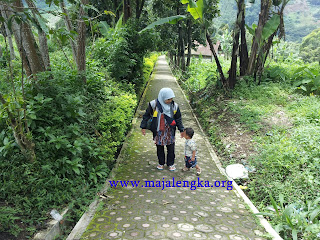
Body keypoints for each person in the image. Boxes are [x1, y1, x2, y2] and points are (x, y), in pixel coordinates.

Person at [140, 88, 184, 171]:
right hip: (158, 131)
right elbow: (146, 116)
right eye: (168, 99)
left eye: (171, 99)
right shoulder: (153, 104)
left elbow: (178, 119)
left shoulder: (175, 106)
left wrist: (181, 130)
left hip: (170, 131)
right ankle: (161, 163)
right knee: (159, 148)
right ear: (162, 97)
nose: (170, 101)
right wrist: (143, 127)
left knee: (171, 148)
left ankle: (170, 163)